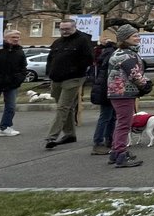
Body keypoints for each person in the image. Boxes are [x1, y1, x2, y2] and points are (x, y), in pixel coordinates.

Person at [44, 18, 94, 149]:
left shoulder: (82, 40)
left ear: (74, 27)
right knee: (68, 107)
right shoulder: (57, 42)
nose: (64, 31)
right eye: (62, 29)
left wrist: (75, 69)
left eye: (67, 29)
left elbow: (89, 58)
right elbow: (50, 59)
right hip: (56, 79)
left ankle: (51, 136)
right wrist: (49, 72)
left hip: (73, 78)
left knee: (63, 107)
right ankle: (70, 134)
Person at [105, 25, 148, 168]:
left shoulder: (123, 52)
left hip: (118, 92)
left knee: (122, 123)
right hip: (122, 92)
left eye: (137, 35)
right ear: (125, 39)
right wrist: (145, 84)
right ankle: (121, 154)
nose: (138, 37)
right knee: (124, 124)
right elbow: (134, 74)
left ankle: (116, 152)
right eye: (134, 35)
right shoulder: (126, 55)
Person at [88, 35, 116, 155]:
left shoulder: (105, 54)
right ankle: (99, 142)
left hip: (105, 88)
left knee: (110, 116)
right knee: (106, 116)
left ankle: (109, 139)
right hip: (107, 89)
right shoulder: (113, 55)